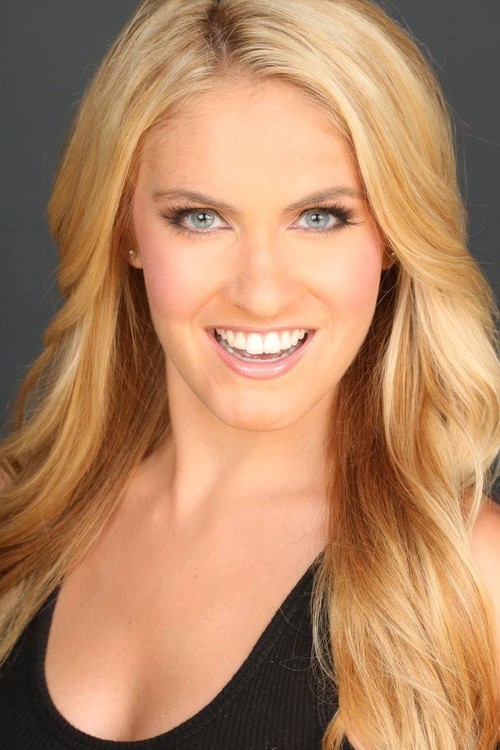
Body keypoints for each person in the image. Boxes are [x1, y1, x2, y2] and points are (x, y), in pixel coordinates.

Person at [0, 0, 499, 748]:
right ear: (126, 228)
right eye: (201, 218)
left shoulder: (473, 580)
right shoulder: (18, 519)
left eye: (320, 217)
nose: (261, 292)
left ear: (395, 235)